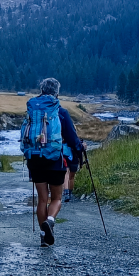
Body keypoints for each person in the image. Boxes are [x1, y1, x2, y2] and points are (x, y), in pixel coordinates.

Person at [20, 77, 83, 246]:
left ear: (41, 89)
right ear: (57, 92)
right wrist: (80, 149)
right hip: (55, 160)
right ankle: (50, 221)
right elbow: (71, 138)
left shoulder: (32, 110)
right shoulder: (60, 111)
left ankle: (43, 236)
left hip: (34, 159)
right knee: (56, 198)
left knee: (42, 199)